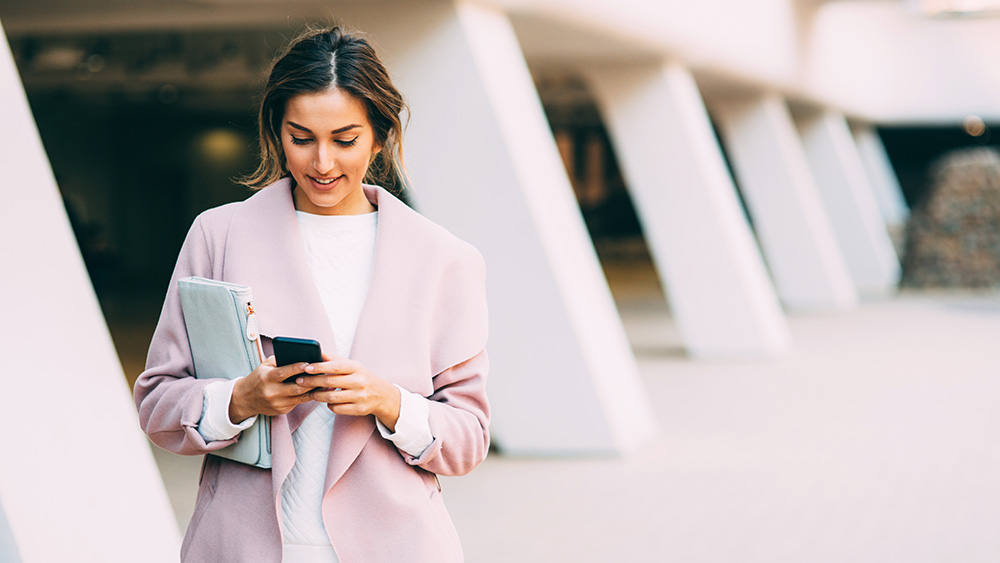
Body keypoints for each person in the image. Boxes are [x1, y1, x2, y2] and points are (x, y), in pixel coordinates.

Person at [134, 26, 490, 563]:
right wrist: (238, 400)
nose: (322, 163)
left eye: (344, 139)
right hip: (243, 545)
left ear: (380, 135)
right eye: (302, 138)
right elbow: (158, 402)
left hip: (397, 546)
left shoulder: (444, 259)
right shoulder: (219, 235)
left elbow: (468, 439)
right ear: (276, 132)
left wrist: (389, 402)